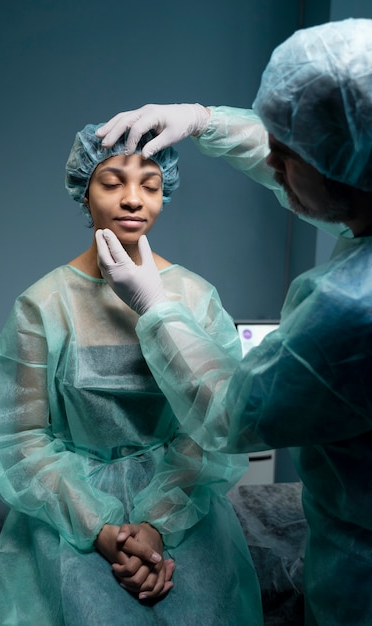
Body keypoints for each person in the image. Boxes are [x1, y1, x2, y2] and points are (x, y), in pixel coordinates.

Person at [95, 18, 372, 626]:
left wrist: (156, 305)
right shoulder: (360, 182)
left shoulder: (352, 310)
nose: (270, 157)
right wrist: (204, 120)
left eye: (286, 151)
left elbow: (230, 417)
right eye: (110, 181)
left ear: (342, 171)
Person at [0, 123, 264, 625]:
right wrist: (100, 527)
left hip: (182, 499)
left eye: (150, 185)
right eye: (112, 182)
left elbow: (217, 423)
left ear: (164, 194)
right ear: (83, 193)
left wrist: (157, 525)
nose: (133, 199)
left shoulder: (195, 298)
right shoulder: (44, 304)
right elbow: (18, 436)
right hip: (71, 505)